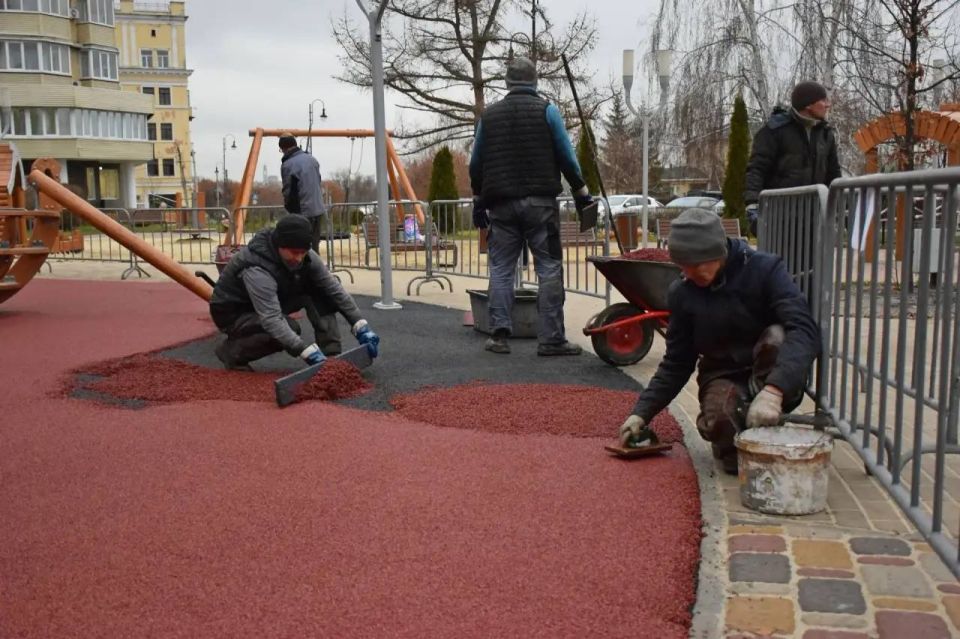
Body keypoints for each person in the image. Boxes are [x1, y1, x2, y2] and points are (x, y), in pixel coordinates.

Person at [617, 209, 820, 474]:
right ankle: (732, 427)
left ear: (719, 253)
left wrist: (774, 390)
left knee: (777, 336)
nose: (689, 273)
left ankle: (766, 409)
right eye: (683, 266)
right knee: (728, 442)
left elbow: (804, 329)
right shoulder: (683, 293)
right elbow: (677, 363)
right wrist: (641, 412)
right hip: (723, 373)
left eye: (696, 265)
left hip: (772, 367)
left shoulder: (765, 270)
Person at [469, 56, 594, 356]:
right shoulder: (547, 111)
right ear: (535, 80)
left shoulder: (489, 117)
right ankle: (551, 339)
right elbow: (567, 157)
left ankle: (499, 335)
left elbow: (476, 163)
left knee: (501, 268)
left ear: (507, 82)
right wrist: (581, 194)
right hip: (541, 206)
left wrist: (478, 199)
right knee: (549, 268)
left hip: (501, 206)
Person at [209, 215, 379, 371]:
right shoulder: (257, 268)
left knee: (320, 290)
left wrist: (361, 325)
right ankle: (231, 353)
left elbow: (334, 289)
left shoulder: (307, 256)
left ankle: (331, 353)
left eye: (302, 252)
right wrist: (304, 351)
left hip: (270, 298)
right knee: (288, 329)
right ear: (279, 245)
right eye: (294, 253)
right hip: (234, 313)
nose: (299, 258)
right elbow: (271, 318)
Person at [745, 80, 841, 235]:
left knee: (812, 252)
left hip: (814, 218)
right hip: (780, 218)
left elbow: (833, 174)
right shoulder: (775, 130)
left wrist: (840, 207)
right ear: (808, 105)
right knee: (781, 252)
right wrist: (752, 205)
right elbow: (757, 169)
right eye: (823, 100)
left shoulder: (826, 134)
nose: (827, 105)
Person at [279, 133, 326, 253]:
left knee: (300, 248)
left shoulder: (288, 165)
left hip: (302, 211)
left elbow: (288, 190)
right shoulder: (312, 160)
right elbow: (318, 181)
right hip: (318, 209)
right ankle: (315, 264)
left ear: (284, 149)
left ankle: (306, 265)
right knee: (314, 245)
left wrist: (290, 209)